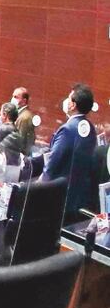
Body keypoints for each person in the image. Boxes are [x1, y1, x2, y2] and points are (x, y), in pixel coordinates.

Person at [43, 84, 98, 220]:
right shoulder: (90, 128)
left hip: (60, 197)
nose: (66, 102)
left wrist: (39, 187)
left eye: (68, 98)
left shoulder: (67, 129)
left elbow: (52, 164)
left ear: (73, 105)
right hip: (81, 196)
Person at [6, 87, 36, 157]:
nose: (13, 99)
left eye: (16, 97)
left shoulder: (24, 118)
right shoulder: (20, 114)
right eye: (13, 96)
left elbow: (19, 141)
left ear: (24, 101)